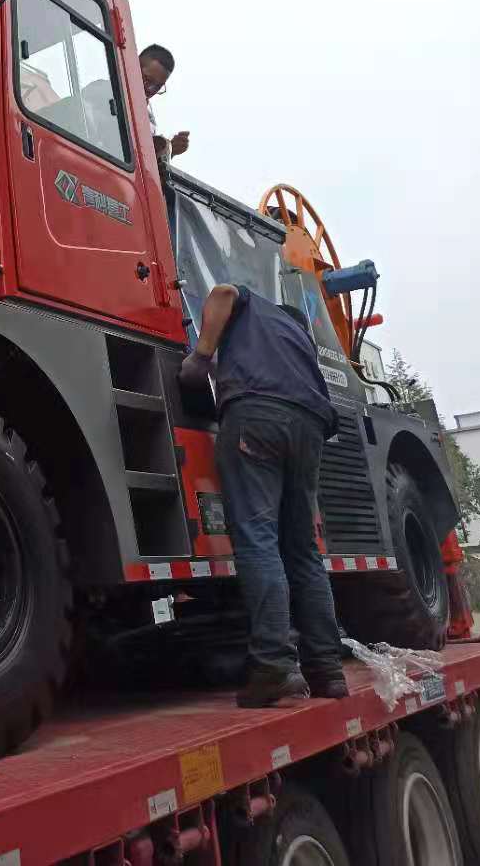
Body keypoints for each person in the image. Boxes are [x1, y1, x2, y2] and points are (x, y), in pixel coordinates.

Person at [179, 284, 347, 707]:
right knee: (304, 550)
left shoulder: (251, 303)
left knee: (258, 538)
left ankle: (272, 665)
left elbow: (221, 292)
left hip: (257, 415)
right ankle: (327, 670)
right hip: (309, 425)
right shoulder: (296, 335)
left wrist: (200, 358)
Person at [139, 44, 189, 162]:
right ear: (132, 66)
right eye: (146, 80)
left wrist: (168, 150)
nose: (150, 90)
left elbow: (143, 164)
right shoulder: (102, 92)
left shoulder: (148, 119)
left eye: (157, 86)